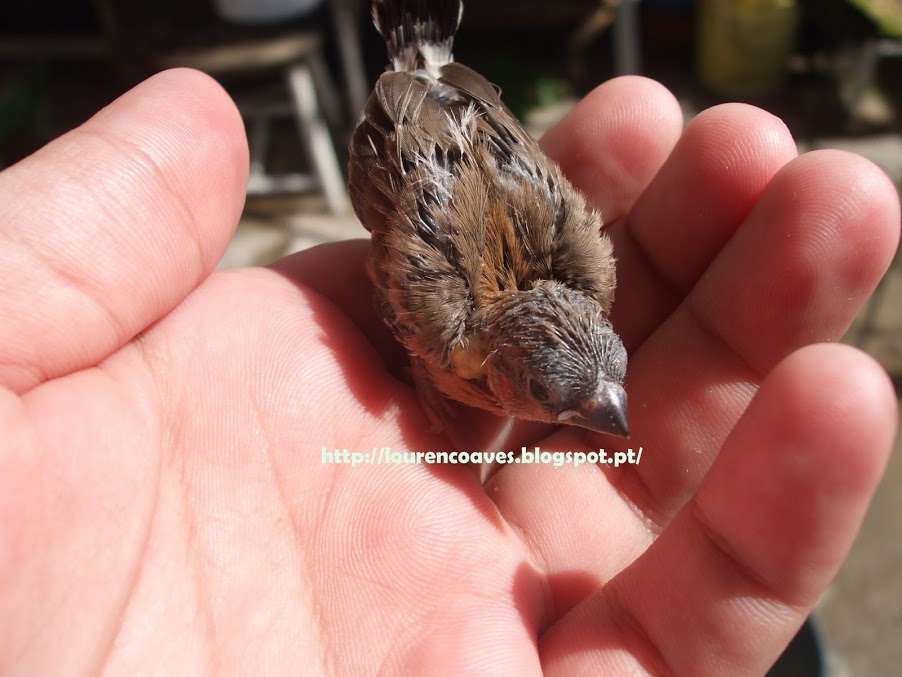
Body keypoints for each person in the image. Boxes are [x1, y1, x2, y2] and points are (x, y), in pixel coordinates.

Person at [0, 68, 898, 675]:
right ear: (503, 375)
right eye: (568, 400)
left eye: (600, 383)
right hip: (417, 135)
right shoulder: (445, 321)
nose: (609, 413)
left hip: (455, 118)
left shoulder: (585, 266)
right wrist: (428, 387)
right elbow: (388, 193)